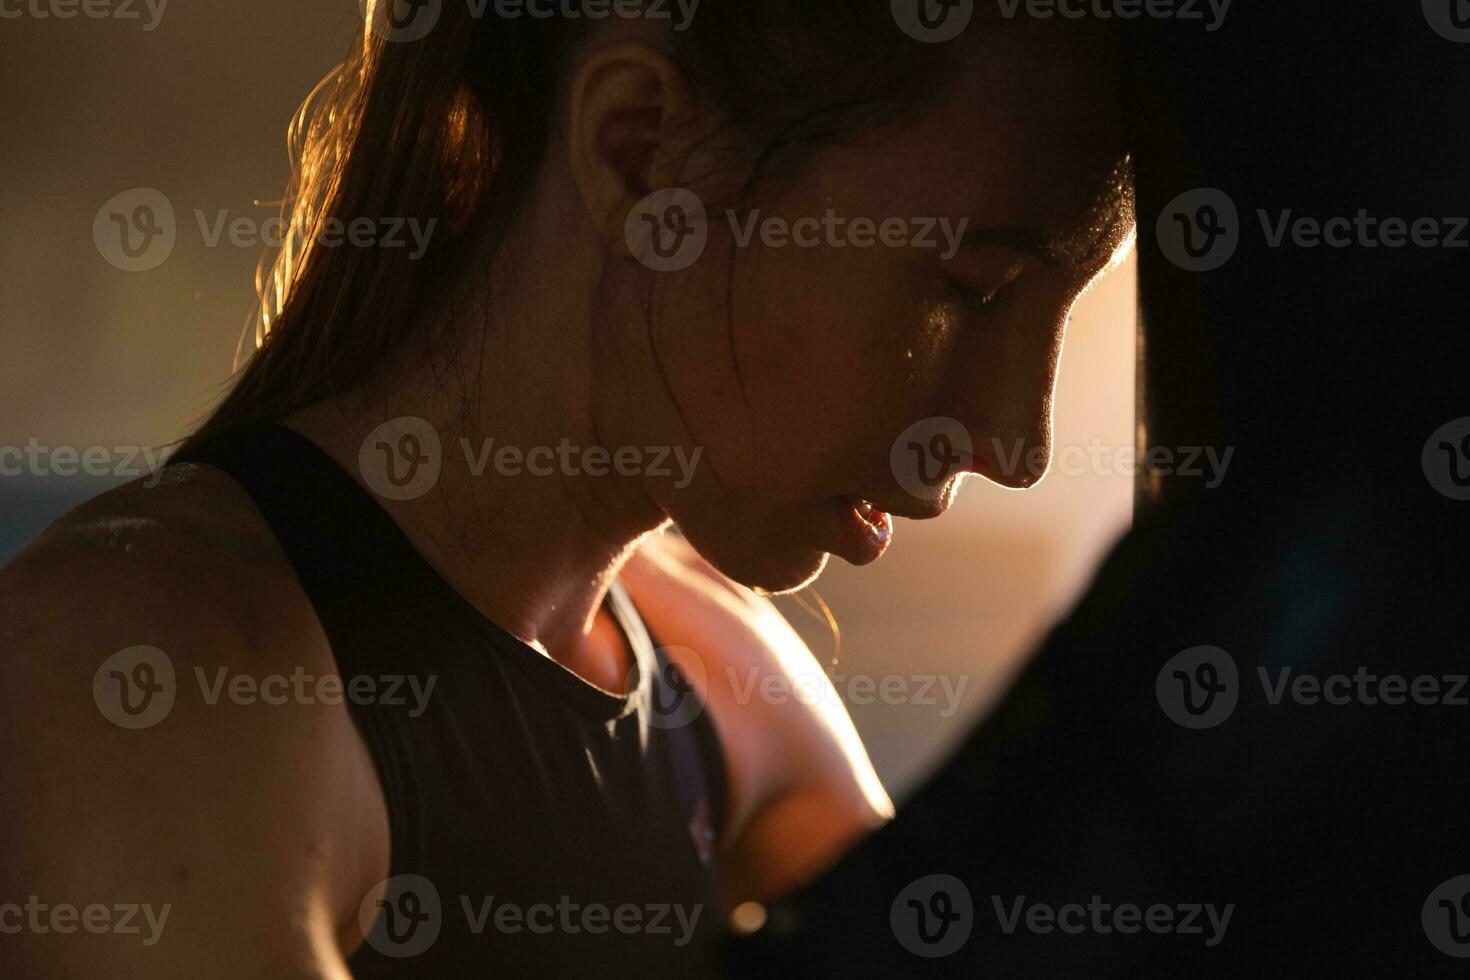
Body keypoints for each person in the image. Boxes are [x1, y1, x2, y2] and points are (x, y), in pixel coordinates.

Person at [0, 3, 1134, 976]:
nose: (1019, 441)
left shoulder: (721, 681)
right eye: (973, 288)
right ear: (645, 152)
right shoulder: (134, 669)